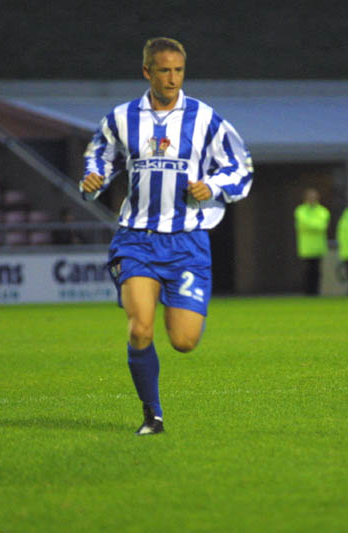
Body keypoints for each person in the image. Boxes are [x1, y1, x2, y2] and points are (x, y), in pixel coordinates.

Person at [80, 37, 253, 436]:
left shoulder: (206, 118)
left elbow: (239, 165)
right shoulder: (122, 118)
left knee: (184, 341)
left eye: (178, 70)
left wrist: (212, 185)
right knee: (140, 327)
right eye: (163, 70)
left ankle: (161, 380)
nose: (172, 78)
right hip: (136, 238)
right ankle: (152, 415)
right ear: (147, 72)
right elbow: (99, 158)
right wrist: (94, 179)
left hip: (187, 243)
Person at [294, 188, 330, 295]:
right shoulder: (300, 210)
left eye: (313, 197)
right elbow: (304, 223)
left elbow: (322, 225)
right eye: (310, 197)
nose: (312, 199)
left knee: (317, 271)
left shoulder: (322, 211)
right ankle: (307, 292)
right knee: (307, 271)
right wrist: (315, 225)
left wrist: (310, 225)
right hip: (306, 246)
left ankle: (316, 292)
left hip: (318, 246)